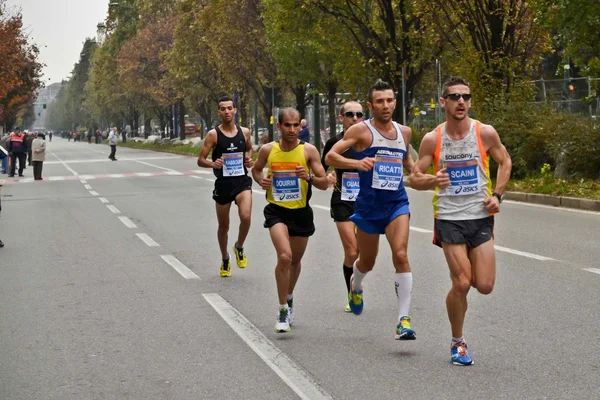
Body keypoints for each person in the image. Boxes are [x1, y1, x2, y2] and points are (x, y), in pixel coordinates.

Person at [410, 76, 512, 366]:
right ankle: (458, 342)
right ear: (443, 102)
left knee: (485, 284)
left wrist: (499, 195)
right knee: (463, 282)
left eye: (465, 97)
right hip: (449, 218)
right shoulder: (433, 138)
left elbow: (505, 161)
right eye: (454, 97)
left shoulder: (485, 132)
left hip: (480, 217)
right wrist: (433, 178)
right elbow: (414, 178)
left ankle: (458, 302)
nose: (461, 102)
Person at [325, 79, 417, 341]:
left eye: (389, 100)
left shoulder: (404, 132)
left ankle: (403, 320)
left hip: (396, 203)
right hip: (367, 207)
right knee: (367, 261)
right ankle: (356, 284)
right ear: (371, 105)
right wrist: (356, 164)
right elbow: (331, 157)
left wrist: (421, 173)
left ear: (395, 102)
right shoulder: (360, 132)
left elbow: (409, 163)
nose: (385, 106)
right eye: (379, 101)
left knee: (400, 254)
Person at [252, 107, 328, 333]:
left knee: (294, 261)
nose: (293, 129)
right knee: (284, 257)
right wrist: (261, 181)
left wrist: (309, 177)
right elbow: (256, 171)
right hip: (276, 210)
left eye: (297, 125)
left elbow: (324, 182)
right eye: (288, 125)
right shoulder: (268, 150)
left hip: (301, 212)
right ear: (279, 127)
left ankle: (290, 295)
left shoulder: (309, 151)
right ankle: (282, 309)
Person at [197, 96, 254, 277]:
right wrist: (213, 164)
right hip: (223, 183)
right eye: (223, 109)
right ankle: (225, 258)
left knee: (245, 217)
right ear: (219, 112)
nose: (227, 111)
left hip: (241, 181)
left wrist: (248, 159)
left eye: (230, 108)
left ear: (235, 110)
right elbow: (200, 160)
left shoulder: (244, 132)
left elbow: (249, 149)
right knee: (224, 226)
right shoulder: (213, 135)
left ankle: (239, 246)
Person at [321, 101, 364, 312]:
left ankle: (356, 282)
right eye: (350, 114)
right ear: (341, 117)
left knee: (364, 252)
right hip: (342, 200)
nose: (355, 118)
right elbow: (321, 168)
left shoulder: (369, 140)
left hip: (366, 201)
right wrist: (327, 176)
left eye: (359, 114)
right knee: (352, 250)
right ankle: (353, 292)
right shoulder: (334, 142)